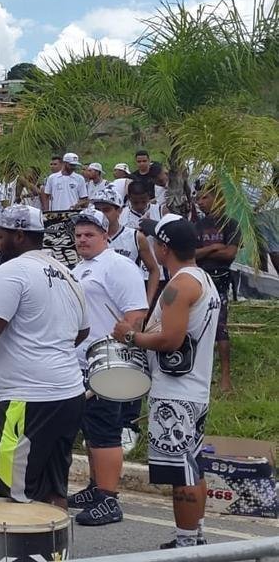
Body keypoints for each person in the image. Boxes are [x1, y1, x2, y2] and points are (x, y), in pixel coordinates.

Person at [0, 205, 89, 508]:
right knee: (53, 489)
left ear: (19, 236)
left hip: (27, 400)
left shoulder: (11, 272)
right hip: (69, 394)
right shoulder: (66, 273)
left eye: (0, 236)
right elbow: (81, 332)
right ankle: (53, 554)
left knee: (13, 492)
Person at [112, 215, 221, 549]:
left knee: (182, 473)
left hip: (178, 392)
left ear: (163, 247)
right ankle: (194, 536)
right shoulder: (202, 279)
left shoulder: (179, 285)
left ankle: (187, 543)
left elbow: (171, 340)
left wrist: (130, 336)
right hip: (194, 388)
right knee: (191, 465)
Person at [66, 208, 148, 526]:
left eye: (89, 234)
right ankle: (93, 486)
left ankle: (108, 500)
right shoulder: (80, 267)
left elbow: (136, 312)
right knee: (90, 430)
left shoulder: (118, 265)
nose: (82, 240)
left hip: (106, 362)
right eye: (78, 235)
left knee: (105, 431)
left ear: (105, 236)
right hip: (80, 362)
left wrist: (119, 348)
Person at [193, 183, 240, 394]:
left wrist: (203, 252)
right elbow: (190, 254)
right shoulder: (196, 225)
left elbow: (230, 254)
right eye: (198, 198)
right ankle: (201, 373)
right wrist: (213, 247)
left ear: (217, 198)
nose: (199, 202)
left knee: (221, 327)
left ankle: (226, 378)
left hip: (220, 279)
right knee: (198, 325)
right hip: (200, 278)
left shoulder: (231, 224)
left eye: (204, 198)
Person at [92, 187, 160, 306]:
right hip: (98, 303)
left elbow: (154, 270)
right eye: (98, 210)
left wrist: (147, 303)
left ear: (119, 210)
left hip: (129, 303)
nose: (101, 214)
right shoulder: (88, 238)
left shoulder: (135, 237)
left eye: (106, 210)